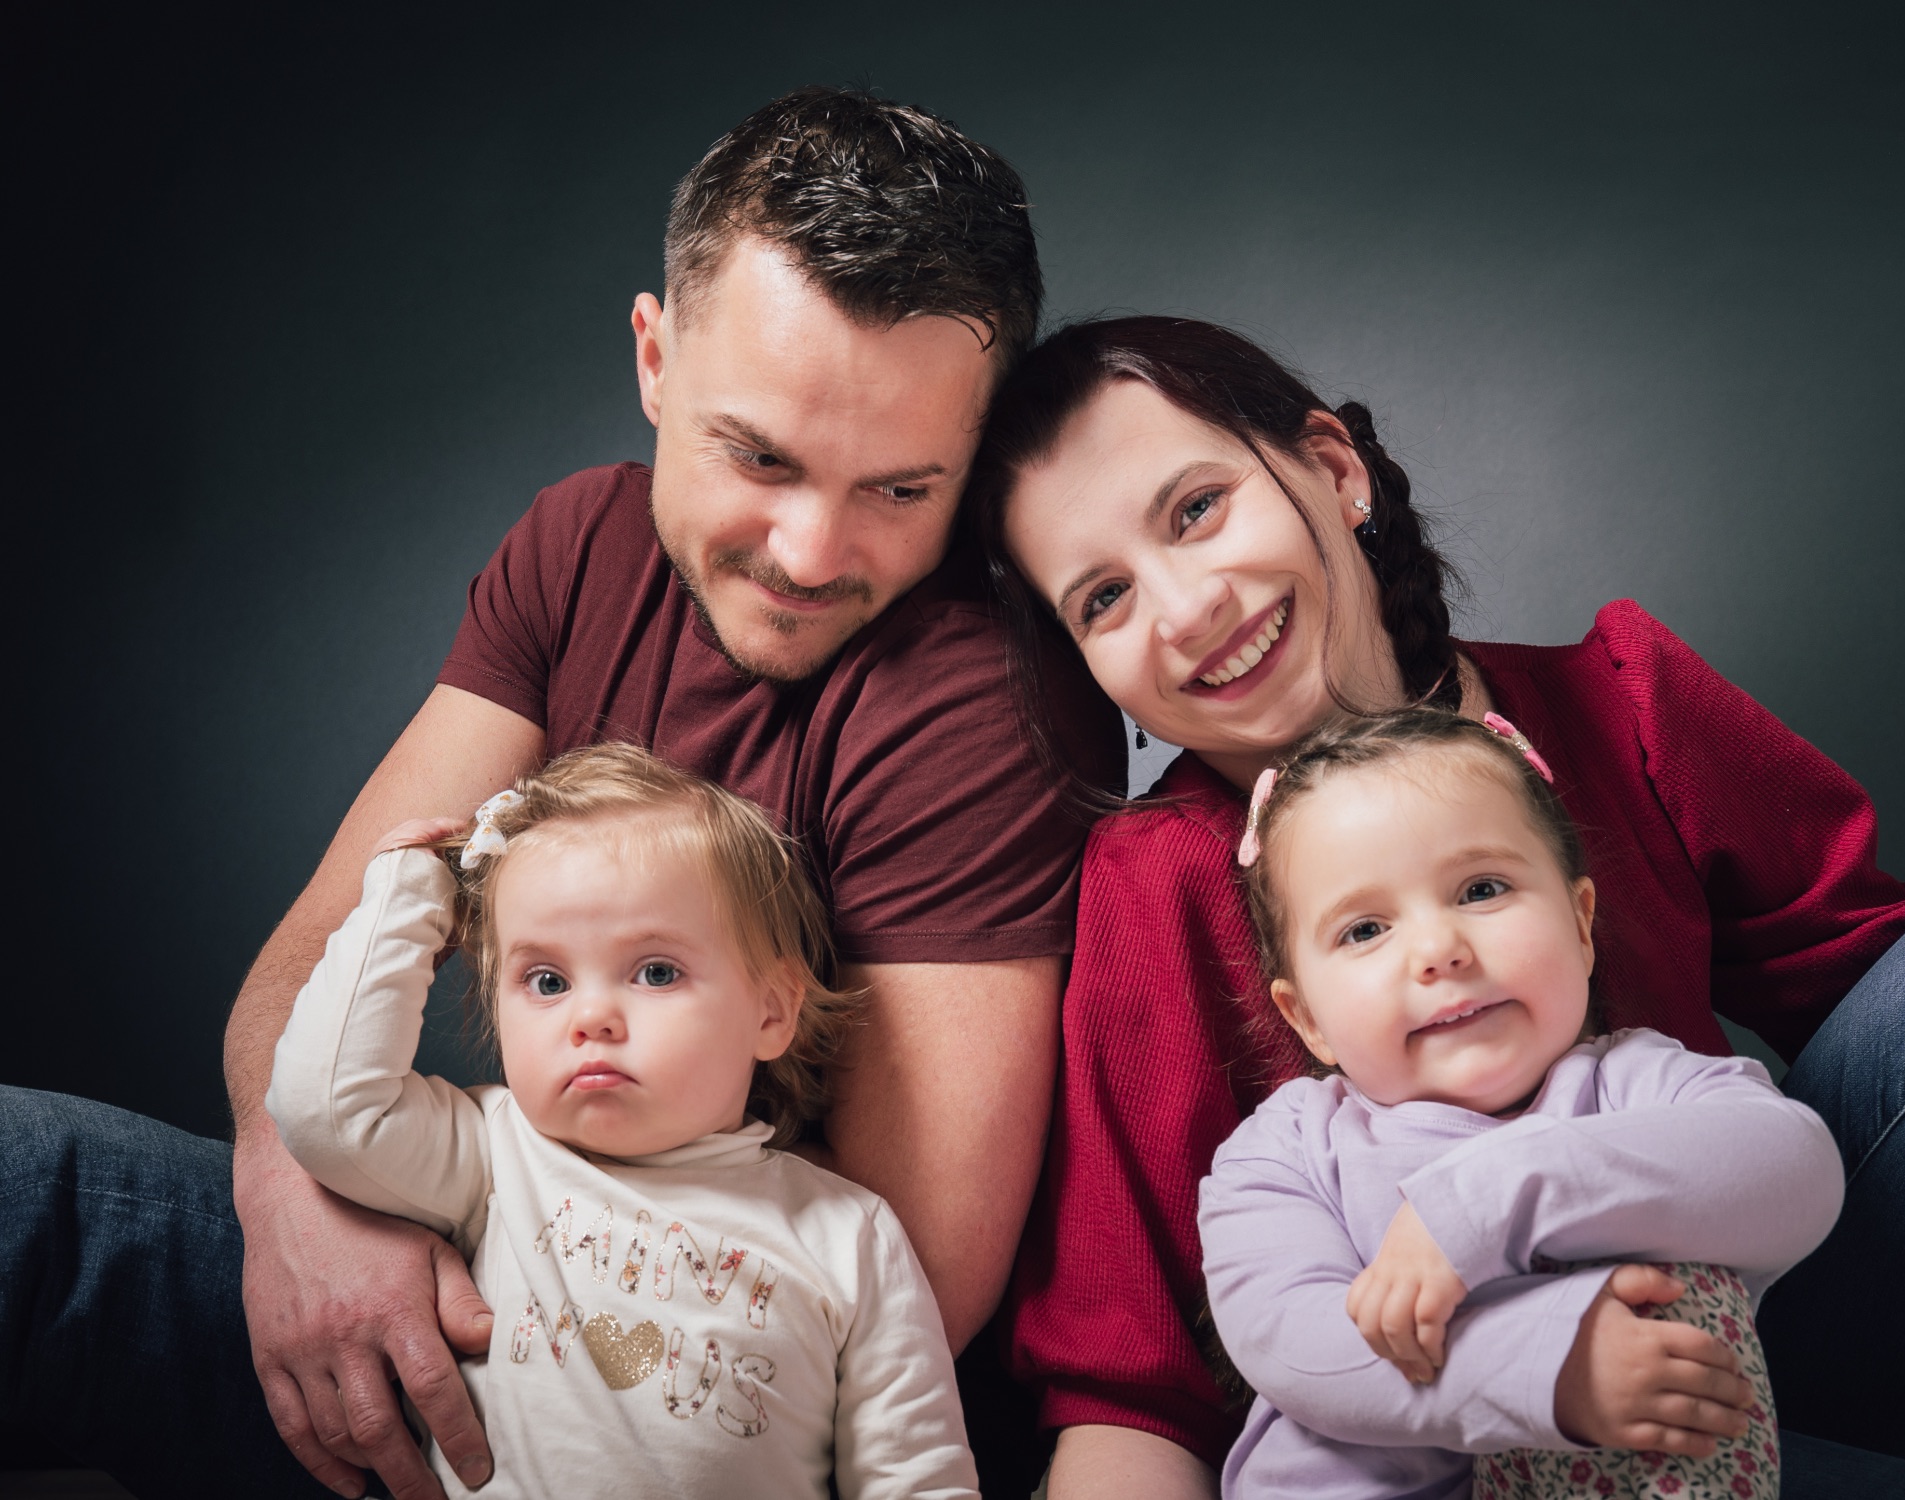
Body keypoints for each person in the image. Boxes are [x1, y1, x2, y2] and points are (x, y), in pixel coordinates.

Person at [0, 87, 1117, 1499]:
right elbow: (302, 970)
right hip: (438, 1270)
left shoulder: (984, 692)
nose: (812, 549)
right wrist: (304, 1206)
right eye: (759, 456)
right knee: (16, 1187)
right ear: (656, 359)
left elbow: (907, 1279)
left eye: (901, 488)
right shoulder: (582, 542)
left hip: (711, 1412)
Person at [968, 316, 1905, 1497]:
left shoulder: (1620, 701)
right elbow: (1128, 1378)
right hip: (1413, 1424)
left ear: (1335, 471)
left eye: (1195, 510)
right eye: (1102, 598)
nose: (1184, 609)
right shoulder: (1154, 884)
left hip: (1726, 1367)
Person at [265, 743, 977, 1499]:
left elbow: (916, 1477)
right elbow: (326, 1107)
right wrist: (413, 890)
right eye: (546, 980)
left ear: (772, 1010)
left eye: (656, 971)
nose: (592, 1016)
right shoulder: (494, 1153)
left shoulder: (846, 1232)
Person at [1200, 705, 1844, 1499]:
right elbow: (1299, 1350)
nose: (1440, 951)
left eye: (1481, 888)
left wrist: (1491, 1196)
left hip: (1642, 1473)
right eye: (1365, 930)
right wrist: (1550, 1367)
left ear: (1580, 925)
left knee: (1680, 1286)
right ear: (1307, 1020)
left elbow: (1800, 1169)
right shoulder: (1285, 1151)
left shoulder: (1639, 1085)